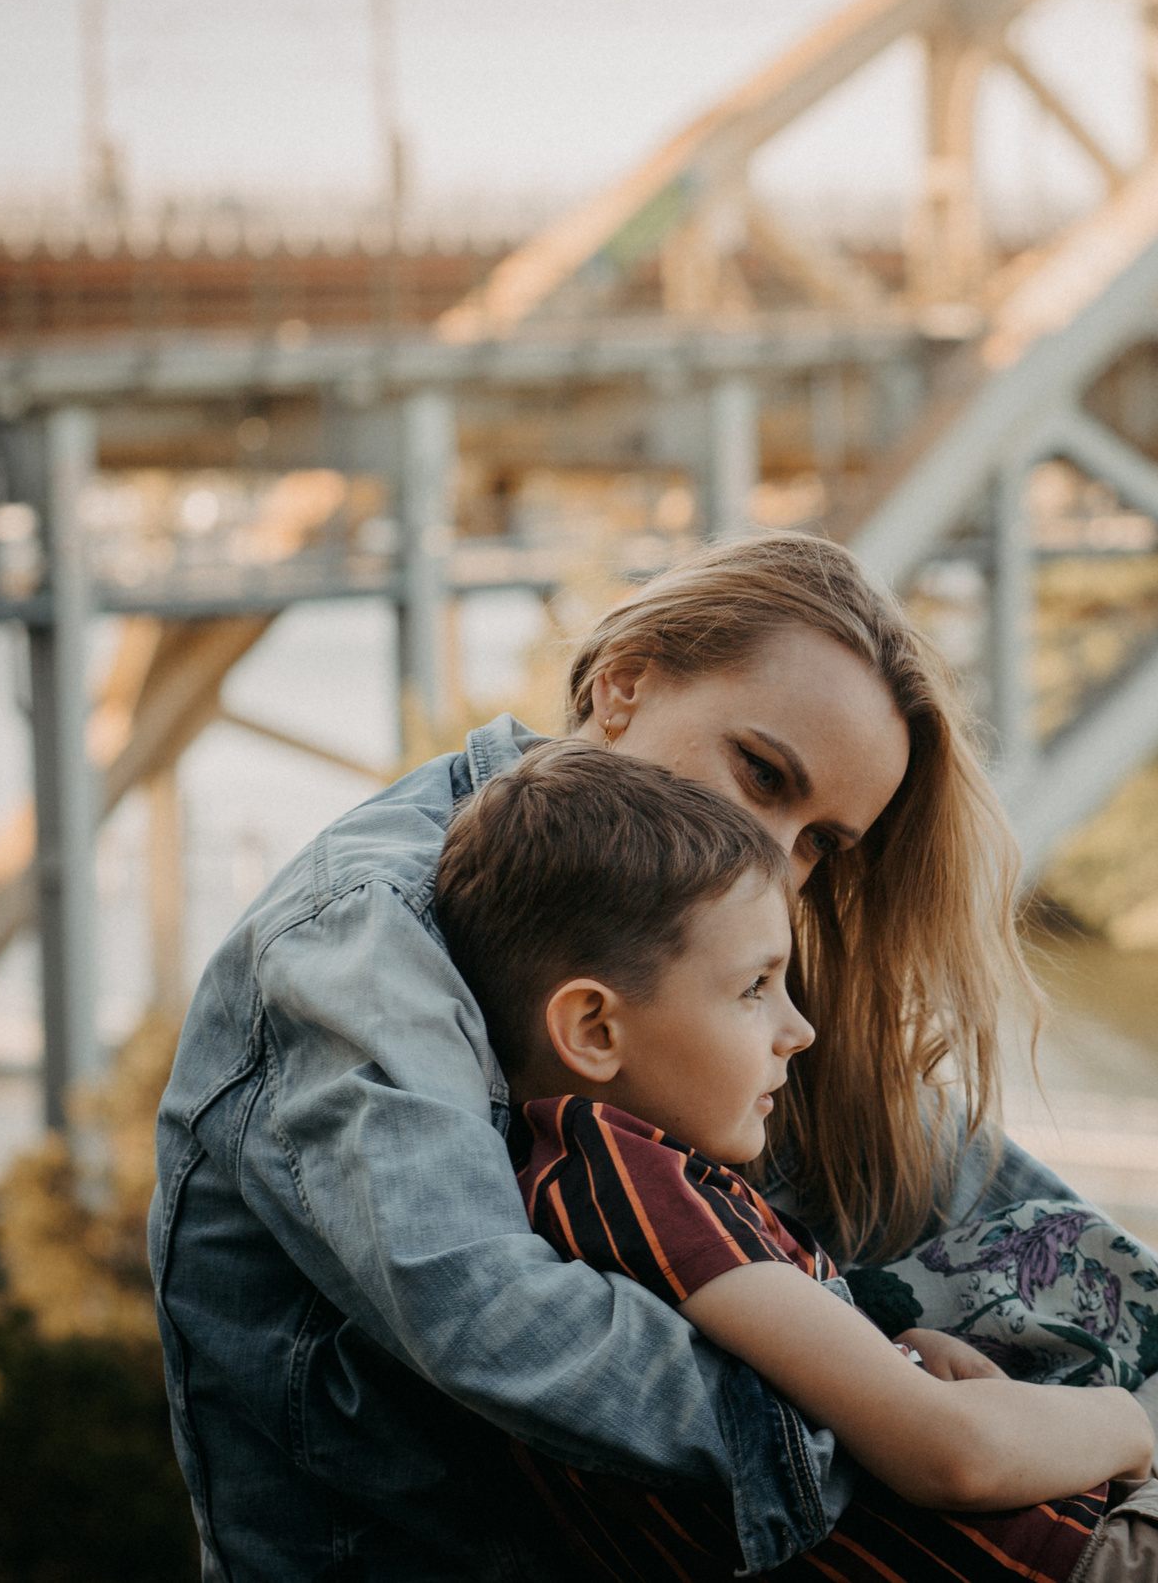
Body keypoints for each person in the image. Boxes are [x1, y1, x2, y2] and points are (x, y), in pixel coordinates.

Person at [433, 739, 1158, 1583]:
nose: (798, 1029)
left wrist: (899, 1364)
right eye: (753, 989)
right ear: (594, 1029)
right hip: (1088, 1559)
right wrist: (1122, 1427)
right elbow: (951, 1459)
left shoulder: (612, 1175)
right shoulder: (630, 1180)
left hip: (1061, 1524)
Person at [153, 533, 1095, 1578]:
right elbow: (493, 1319)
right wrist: (898, 1423)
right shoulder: (368, 932)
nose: (779, 864)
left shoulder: (697, 943)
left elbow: (1032, 1240)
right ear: (622, 688)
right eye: (761, 773)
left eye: (820, 844)